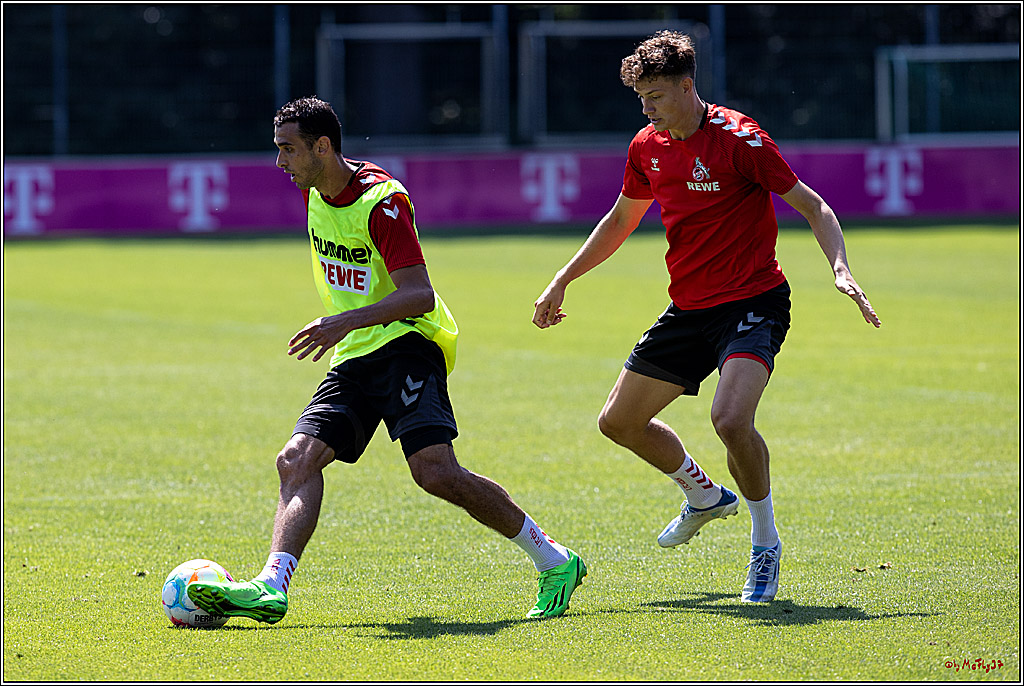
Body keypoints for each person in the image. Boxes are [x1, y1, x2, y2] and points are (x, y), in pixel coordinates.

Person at [188, 96, 586, 623]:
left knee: (435, 473)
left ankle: (556, 560)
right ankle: (272, 586)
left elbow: (420, 294)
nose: (279, 162)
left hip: (409, 342)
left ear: (322, 147)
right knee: (296, 460)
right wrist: (346, 327)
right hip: (356, 351)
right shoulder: (314, 191)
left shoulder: (382, 202)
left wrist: (341, 322)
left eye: (288, 150)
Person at [532, 31, 880, 603]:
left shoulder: (741, 140)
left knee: (730, 420)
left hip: (753, 303)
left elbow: (814, 205)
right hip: (690, 308)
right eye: (641, 99)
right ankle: (703, 495)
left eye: (656, 97)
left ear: (687, 86)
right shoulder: (647, 145)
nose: (646, 109)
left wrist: (840, 269)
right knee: (618, 423)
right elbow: (620, 220)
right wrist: (563, 279)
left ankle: (764, 541)